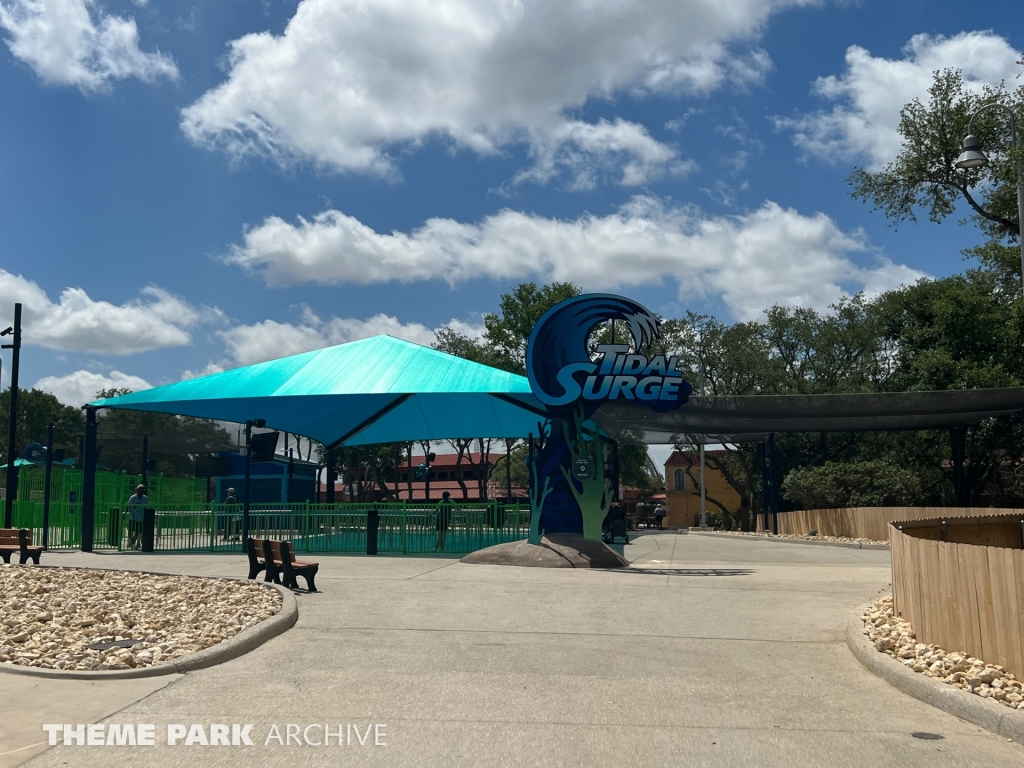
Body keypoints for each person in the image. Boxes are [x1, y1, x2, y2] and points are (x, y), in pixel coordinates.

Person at [127, 484, 148, 549]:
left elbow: (146, 507)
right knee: (130, 529)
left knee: (138, 530)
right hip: (133, 516)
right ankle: (130, 540)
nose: (140, 492)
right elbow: (128, 506)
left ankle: (133, 541)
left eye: (142, 490)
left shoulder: (145, 498)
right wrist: (126, 513)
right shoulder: (133, 497)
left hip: (140, 517)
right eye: (139, 490)